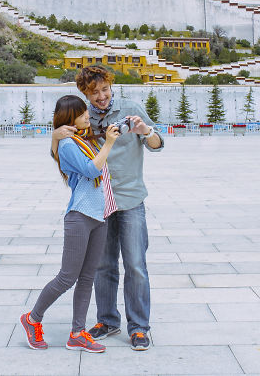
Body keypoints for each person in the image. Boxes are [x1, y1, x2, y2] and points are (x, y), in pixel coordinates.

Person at [51, 65, 164, 351]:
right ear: (84, 93)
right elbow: (63, 156)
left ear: (111, 86)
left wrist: (144, 129)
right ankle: (107, 320)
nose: (101, 96)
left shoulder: (130, 108)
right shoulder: (81, 119)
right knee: (103, 265)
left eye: (104, 89)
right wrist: (55, 137)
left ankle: (139, 327)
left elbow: (158, 144)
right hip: (98, 204)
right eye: (94, 92)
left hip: (129, 198)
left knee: (136, 265)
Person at [20, 95, 120, 353]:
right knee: (67, 277)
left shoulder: (81, 140)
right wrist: (108, 144)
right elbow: (91, 170)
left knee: (87, 278)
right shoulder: (67, 144)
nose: (88, 115)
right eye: (83, 112)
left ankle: (77, 333)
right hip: (80, 216)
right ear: (70, 117)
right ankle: (32, 319)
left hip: (99, 215)